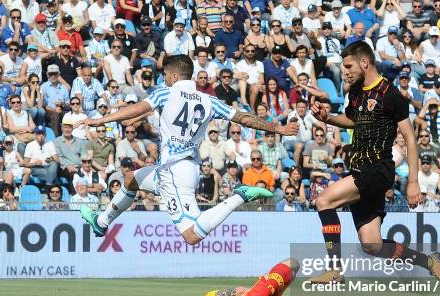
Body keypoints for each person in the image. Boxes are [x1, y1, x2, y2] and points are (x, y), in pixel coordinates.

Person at [78, 55, 298, 245]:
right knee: (130, 180)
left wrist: (102, 120)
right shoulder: (210, 100)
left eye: (165, 74)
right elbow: (243, 117)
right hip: (180, 168)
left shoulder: (166, 93)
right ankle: (101, 223)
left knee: (192, 235)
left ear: (173, 76)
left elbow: (136, 109)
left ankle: (239, 196)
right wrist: (276, 127)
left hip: (174, 173)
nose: (164, 79)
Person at [309, 41, 440, 285]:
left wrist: (413, 182)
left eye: (348, 66)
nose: (345, 71)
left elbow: (410, 139)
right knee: (372, 244)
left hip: (377, 169)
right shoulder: (355, 91)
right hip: (360, 169)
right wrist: (328, 118)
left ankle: (334, 269)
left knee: (323, 200)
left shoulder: (390, 94)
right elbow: (353, 121)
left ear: (364, 63)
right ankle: (430, 262)